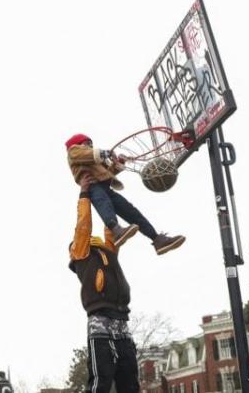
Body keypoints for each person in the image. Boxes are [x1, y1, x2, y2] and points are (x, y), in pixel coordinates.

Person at [69, 185, 140, 393]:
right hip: (100, 324)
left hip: (122, 323)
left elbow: (111, 229)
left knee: (130, 382)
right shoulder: (81, 253)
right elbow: (83, 225)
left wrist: (103, 190)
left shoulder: (108, 250)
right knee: (101, 381)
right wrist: (84, 195)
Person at [66, 133, 185, 255]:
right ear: (78, 144)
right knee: (104, 204)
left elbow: (107, 173)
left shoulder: (92, 160)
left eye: (91, 143)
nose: (91, 146)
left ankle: (156, 239)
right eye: (87, 143)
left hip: (105, 186)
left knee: (131, 211)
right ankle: (116, 231)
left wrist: (119, 163)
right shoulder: (73, 152)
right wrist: (103, 153)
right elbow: (87, 154)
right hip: (93, 186)